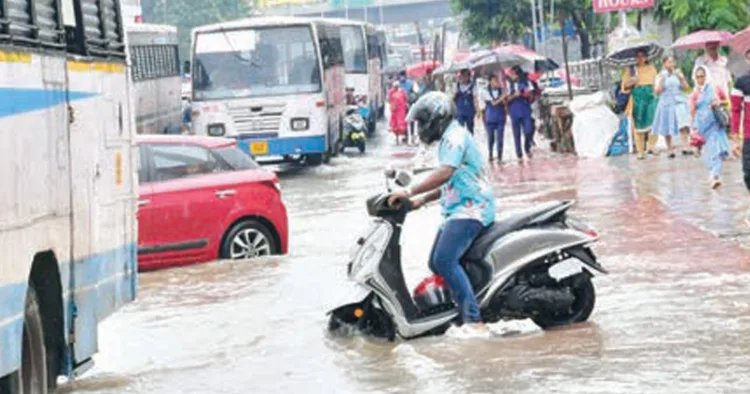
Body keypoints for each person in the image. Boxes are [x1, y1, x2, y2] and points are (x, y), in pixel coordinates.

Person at [388, 92, 496, 336]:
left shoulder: (454, 138)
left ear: (437, 118)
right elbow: (452, 182)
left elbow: (446, 173)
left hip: (472, 209)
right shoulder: (450, 138)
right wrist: (421, 200)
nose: (421, 128)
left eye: (423, 121)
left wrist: (408, 191)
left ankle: (473, 320)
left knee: (445, 260)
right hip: (458, 208)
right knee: (434, 262)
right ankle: (456, 310)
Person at [689, 65, 731, 189]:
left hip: (715, 124)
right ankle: (712, 174)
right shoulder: (694, 94)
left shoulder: (715, 88)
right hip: (702, 126)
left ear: (706, 76)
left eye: (702, 76)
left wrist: (718, 103)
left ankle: (715, 176)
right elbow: (692, 112)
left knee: (717, 151)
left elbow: (726, 101)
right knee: (708, 152)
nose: (700, 79)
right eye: (697, 77)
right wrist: (693, 129)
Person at [622, 49, 659, 159]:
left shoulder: (651, 68)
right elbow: (624, 86)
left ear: (646, 57)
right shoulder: (631, 70)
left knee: (653, 122)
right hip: (638, 98)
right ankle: (640, 150)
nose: (640, 58)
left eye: (642, 56)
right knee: (638, 124)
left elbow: (656, 82)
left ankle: (652, 146)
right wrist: (631, 81)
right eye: (638, 56)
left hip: (651, 97)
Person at [652, 56, 691, 158]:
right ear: (664, 64)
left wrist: (681, 78)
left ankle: (684, 146)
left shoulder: (677, 74)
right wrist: (661, 81)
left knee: (683, 123)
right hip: (666, 102)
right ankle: (670, 149)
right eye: (669, 62)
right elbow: (657, 92)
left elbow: (686, 87)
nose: (671, 64)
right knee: (667, 126)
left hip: (678, 100)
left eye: (672, 62)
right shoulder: (661, 75)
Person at [730, 48, 750, 223]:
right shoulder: (741, 82)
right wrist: (735, 137)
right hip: (749, 136)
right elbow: (735, 110)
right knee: (748, 173)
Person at [507, 65, 535, 161]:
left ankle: (527, 146)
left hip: (525, 109)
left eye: (513, 74)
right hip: (514, 110)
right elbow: (506, 99)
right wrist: (514, 95)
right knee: (516, 133)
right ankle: (519, 154)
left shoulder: (527, 82)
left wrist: (527, 94)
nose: (511, 76)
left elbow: (531, 96)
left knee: (528, 129)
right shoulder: (508, 84)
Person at [482, 73, 508, 162]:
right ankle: (490, 154)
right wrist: (503, 96)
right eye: (494, 80)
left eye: (497, 80)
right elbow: (493, 103)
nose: (496, 82)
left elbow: (505, 104)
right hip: (490, 118)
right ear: (490, 82)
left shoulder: (502, 90)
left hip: (500, 117)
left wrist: (505, 98)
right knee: (491, 138)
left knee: (500, 138)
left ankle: (500, 157)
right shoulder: (485, 91)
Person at [454, 69, 478, 135]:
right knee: (459, 127)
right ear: (461, 76)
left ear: (469, 76)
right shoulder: (457, 85)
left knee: (470, 128)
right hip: (460, 110)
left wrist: (477, 110)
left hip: (469, 110)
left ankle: (470, 143)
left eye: (467, 75)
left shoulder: (473, 86)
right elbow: (453, 98)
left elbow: (475, 98)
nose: (465, 77)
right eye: (463, 75)